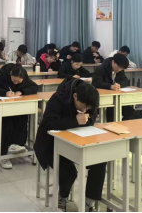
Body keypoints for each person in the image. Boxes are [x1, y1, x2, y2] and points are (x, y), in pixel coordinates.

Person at [35, 80, 103, 212]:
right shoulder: (58, 98)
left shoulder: (90, 98)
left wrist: (87, 119)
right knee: (69, 171)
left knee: (99, 161)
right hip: (51, 144)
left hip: (78, 141)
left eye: (87, 108)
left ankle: (88, 202)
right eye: (82, 106)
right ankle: (63, 197)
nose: (84, 110)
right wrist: (75, 121)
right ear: (75, 96)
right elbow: (49, 124)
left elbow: (92, 117)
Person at [0, 64, 38, 170]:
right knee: (7, 125)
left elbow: (34, 87)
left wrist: (22, 92)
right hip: (1, 108)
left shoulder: (24, 77)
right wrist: (5, 93)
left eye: (19, 82)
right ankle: (3, 155)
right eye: (14, 80)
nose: (16, 83)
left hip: (16, 107)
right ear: (11, 74)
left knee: (22, 118)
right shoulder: (1, 76)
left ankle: (16, 144)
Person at [92, 54, 132, 121]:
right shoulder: (100, 69)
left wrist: (119, 85)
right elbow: (96, 83)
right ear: (113, 62)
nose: (119, 70)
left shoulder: (119, 69)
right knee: (113, 110)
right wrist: (110, 86)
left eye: (121, 69)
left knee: (130, 111)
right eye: (118, 67)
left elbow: (125, 80)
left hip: (115, 96)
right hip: (102, 97)